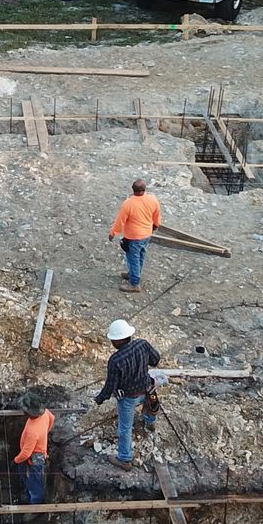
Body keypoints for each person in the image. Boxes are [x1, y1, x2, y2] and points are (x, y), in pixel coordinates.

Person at [93, 319, 160, 470]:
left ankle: (125, 459)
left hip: (129, 397)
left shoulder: (115, 360)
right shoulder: (142, 344)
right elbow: (155, 360)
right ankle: (150, 422)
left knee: (125, 428)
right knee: (152, 405)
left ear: (118, 341)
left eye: (112, 340)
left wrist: (100, 399)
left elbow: (110, 386)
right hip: (147, 387)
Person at [110, 177, 162, 291]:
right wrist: (156, 225)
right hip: (147, 234)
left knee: (133, 258)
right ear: (144, 189)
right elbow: (157, 214)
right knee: (141, 255)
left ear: (133, 190)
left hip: (134, 236)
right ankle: (133, 273)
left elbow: (120, 220)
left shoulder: (128, 203)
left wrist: (113, 232)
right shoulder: (152, 199)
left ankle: (135, 283)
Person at [13, 393, 54, 505]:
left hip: (34, 456)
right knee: (32, 476)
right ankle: (26, 489)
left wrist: (16, 460)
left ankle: (35, 503)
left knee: (34, 481)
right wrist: (45, 432)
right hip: (38, 452)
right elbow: (52, 418)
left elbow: (26, 454)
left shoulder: (33, 431)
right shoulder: (45, 413)